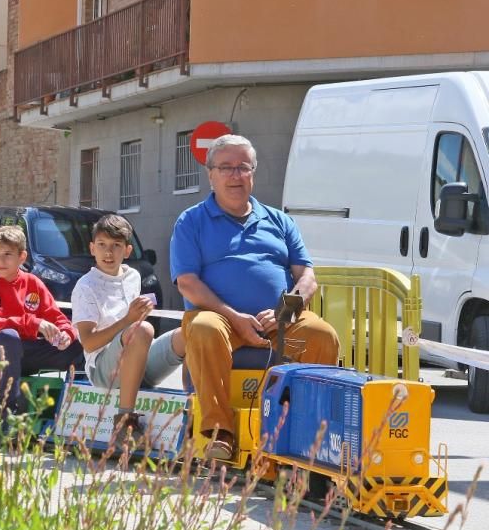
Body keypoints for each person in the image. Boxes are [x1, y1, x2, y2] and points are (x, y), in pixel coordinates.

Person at [170, 134, 339, 461]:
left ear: (253, 173)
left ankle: (305, 433)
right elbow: (188, 283)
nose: (235, 175)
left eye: (243, 168)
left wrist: (286, 311)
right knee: (204, 328)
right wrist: (235, 317)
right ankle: (220, 433)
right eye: (226, 168)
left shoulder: (280, 221)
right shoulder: (190, 222)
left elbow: (307, 277)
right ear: (211, 175)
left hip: (279, 320)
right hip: (219, 318)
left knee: (323, 335)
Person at [71, 214, 185, 448]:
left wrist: (139, 313)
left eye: (116, 246)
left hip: (135, 364)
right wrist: (129, 320)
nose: (108, 253)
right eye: (102, 245)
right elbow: (89, 344)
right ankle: (124, 422)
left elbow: (133, 324)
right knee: (141, 329)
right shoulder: (85, 286)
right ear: (92, 248)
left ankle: (195, 412)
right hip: (103, 372)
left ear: (128, 250)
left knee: (190, 332)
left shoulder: (133, 276)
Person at [0, 225, 84, 416]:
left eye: (7, 254)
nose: (0, 260)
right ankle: (7, 413)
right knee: (8, 336)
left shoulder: (32, 282)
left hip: (23, 353)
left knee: (78, 342)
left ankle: (75, 413)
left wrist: (66, 335)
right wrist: (34, 323)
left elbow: (56, 316)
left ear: (22, 257)